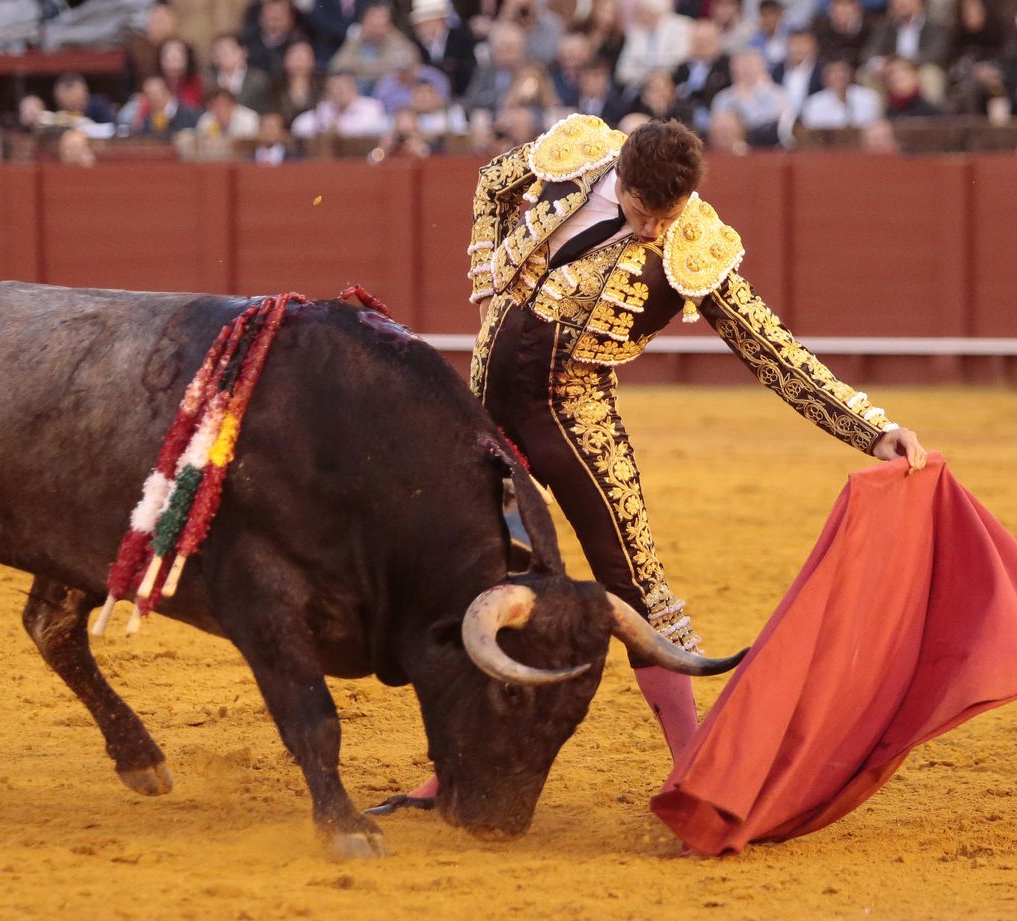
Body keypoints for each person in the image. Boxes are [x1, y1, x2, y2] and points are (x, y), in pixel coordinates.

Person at [378, 116, 926, 812]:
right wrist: (487, 274)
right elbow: (492, 184)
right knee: (473, 575)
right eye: (641, 216)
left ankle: (697, 773)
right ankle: (452, 770)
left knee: (635, 584)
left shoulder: (693, 246)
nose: (650, 234)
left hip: (573, 417)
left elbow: (773, 349)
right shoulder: (575, 156)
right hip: (485, 404)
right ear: (621, 178)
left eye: (664, 220)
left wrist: (872, 430)